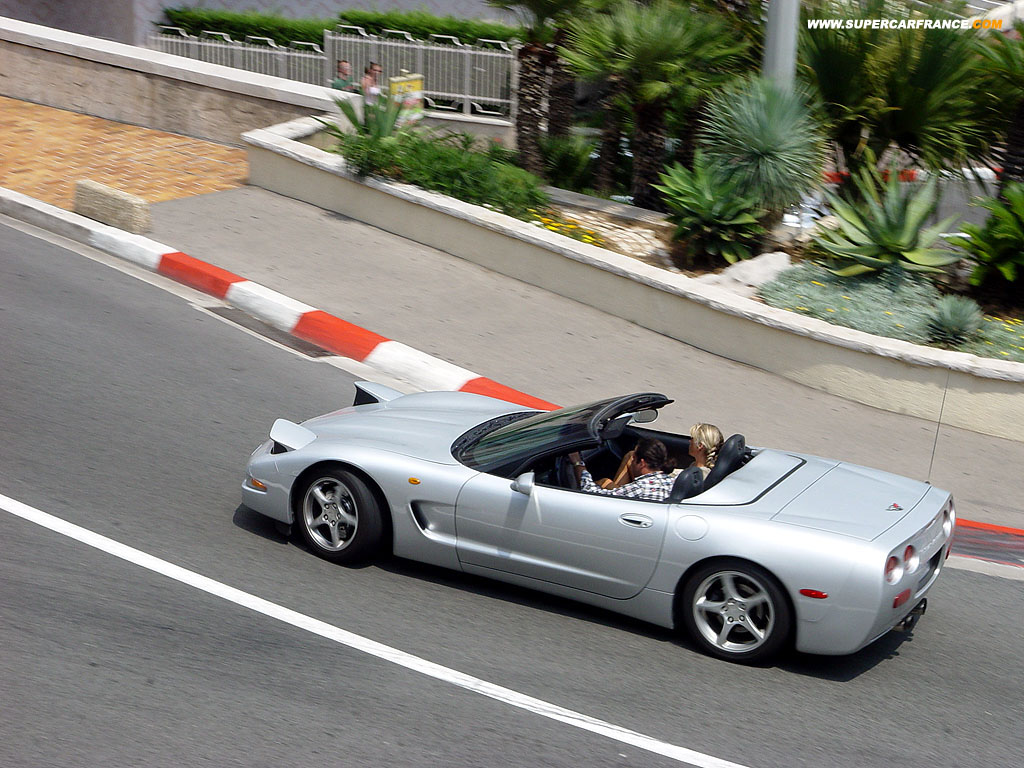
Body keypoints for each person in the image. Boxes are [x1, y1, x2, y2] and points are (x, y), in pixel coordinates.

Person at [569, 438, 676, 501]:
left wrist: (577, 462)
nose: (631, 461)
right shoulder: (670, 481)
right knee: (605, 482)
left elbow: (591, 492)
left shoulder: (640, 488)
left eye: (634, 459)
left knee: (604, 482)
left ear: (642, 463)